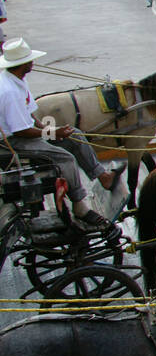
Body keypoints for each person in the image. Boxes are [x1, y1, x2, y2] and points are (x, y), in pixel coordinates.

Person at [0, 39, 120, 231]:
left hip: (25, 133)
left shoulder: (19, 80)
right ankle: (80, 206)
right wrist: (51, 133)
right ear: (22, 64)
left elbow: (30, 113)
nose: (33, 63)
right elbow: (20, 131)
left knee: (75, 136)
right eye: (30, 60)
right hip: (12, 143)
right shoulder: (9, 91)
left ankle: (102, 176)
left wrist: (51, 133)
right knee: (66, 158)